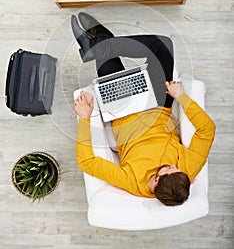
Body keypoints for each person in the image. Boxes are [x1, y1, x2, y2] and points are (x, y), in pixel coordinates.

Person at [72, 12, 216, 206]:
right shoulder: (186, 171)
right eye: (177, 168)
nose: (174, 164)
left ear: (155, 181)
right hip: (159, 105)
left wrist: (85, 118)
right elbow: (207, 130)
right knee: (163, 46)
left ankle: (101, 42)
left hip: (125, 112)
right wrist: (180, 96)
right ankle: (101, 42)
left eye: (168, 168)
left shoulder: (132, 182)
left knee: (106, 57)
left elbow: (87, 162)